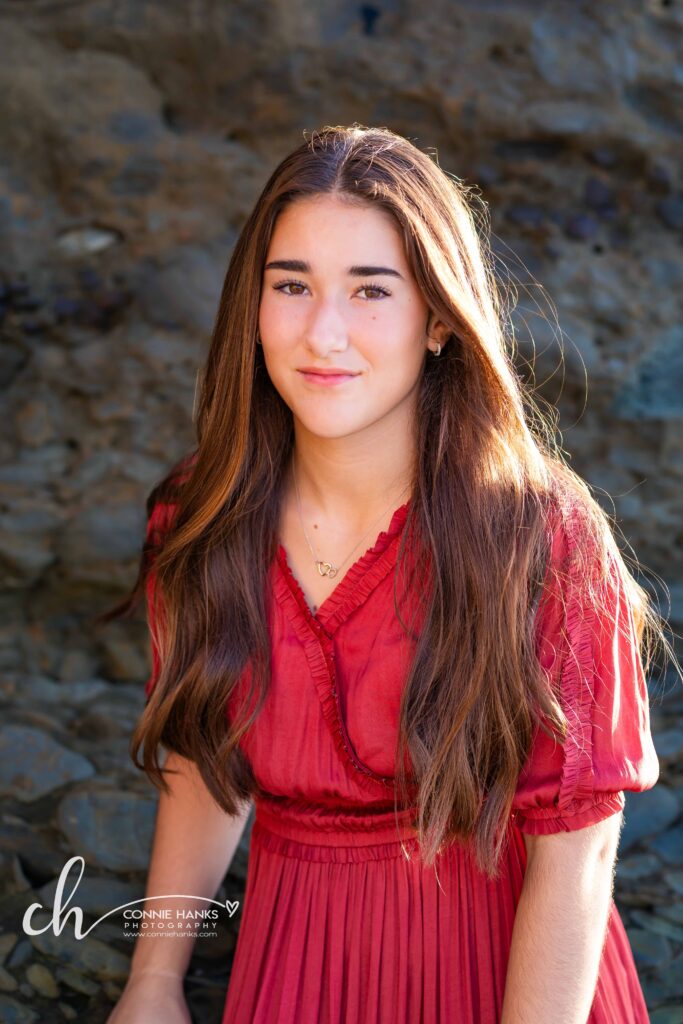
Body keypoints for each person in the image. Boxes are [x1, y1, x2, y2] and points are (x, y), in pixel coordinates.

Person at [104, 124, 670, 1024]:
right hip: (293, 967)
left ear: (439, 316)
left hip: (506, 972)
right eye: (291, 285)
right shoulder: (199, 518)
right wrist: (153, 982)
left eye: (371, 290)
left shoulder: (542, 541)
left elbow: (578, 854)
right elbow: (204, 758)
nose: (322, 333)